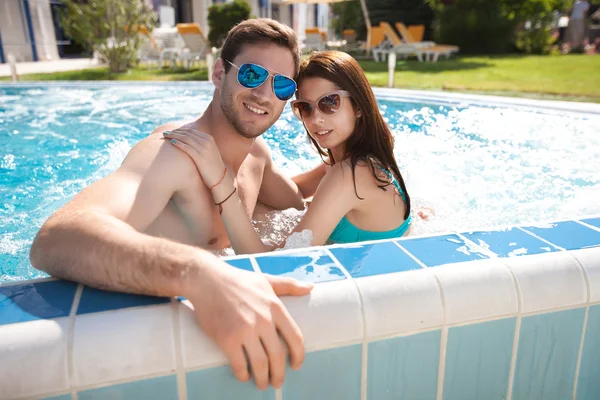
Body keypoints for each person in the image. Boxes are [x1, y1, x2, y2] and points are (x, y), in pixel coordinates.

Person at [29, 19, 314, 391]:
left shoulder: (257, 157)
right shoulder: (171, 155)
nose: (264, 93)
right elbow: (55, 238)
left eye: (280, 84)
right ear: (218, 72)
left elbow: (297, 202)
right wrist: (199, 273)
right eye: (252, 74)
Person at [167, 50, 419, 254]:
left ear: (359, 106)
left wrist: (220, 179)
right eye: (305, 108)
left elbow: (272, 263)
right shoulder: (354, 159)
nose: (316, 118)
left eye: (329, 103)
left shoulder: (351, 175)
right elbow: (294, 191)